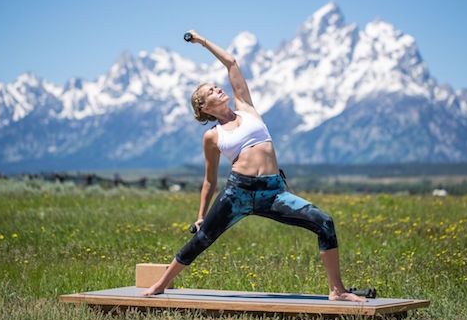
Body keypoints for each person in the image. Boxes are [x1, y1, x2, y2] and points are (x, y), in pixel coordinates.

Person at [141, 30, 366, 302]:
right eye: (210, 91)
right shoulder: (212, 136)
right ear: (204, 107)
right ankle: (161, 284)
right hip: (237, 193)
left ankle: (337, 290)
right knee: (201, 241)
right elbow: (210, 180)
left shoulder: (245, 107)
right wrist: (201, 215)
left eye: (216, 85)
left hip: (273, 193)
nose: (218, 88)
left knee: (324, 222)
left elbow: (232, 63)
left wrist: (202, 42)